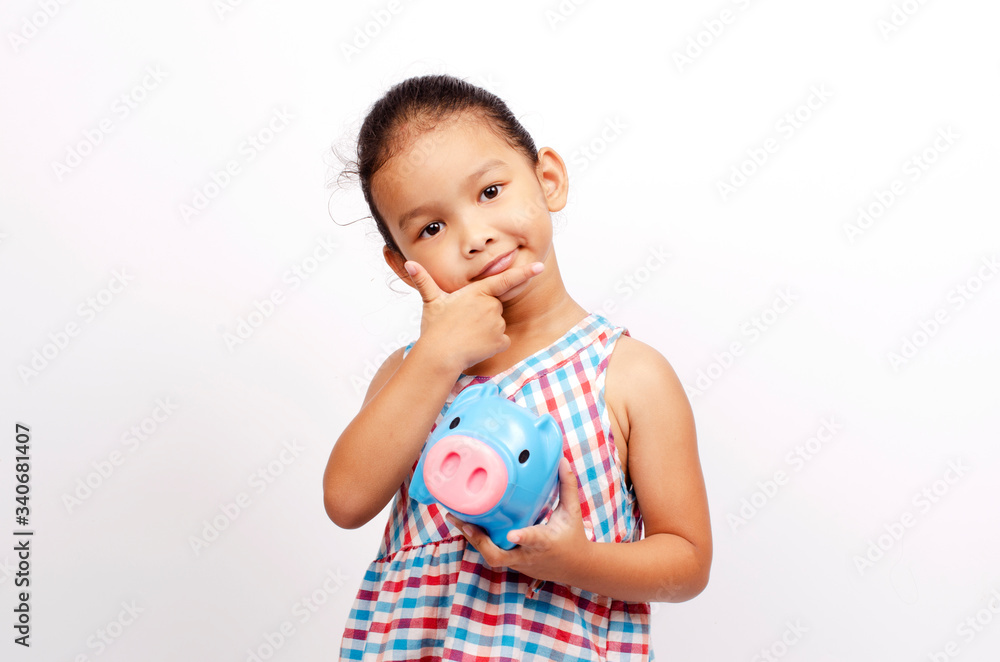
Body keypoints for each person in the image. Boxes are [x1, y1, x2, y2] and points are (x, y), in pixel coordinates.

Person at [324, 74, 712, 661]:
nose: (474, 237)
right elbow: (346, 501)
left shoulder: (628, 375)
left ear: (547, 179)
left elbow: (687, 562)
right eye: (431, 228)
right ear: (402, 264)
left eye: (489, 192)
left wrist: (576, 562)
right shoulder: (412, 373)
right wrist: (437, 355)